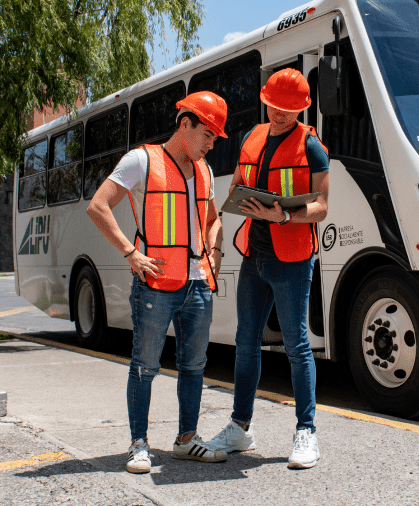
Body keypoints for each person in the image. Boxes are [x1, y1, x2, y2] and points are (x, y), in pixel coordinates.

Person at [87, 91, 228, 473]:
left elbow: (213, 220)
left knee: (195, 365)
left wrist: (214, 251)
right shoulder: (142, 160)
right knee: (145, 365)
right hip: (155, 285)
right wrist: (130, 253)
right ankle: (138, 444)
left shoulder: (204, 171)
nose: (211, 144)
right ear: (186, 124)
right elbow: (98, 206)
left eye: (216, 138)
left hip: (198, 283)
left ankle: (186, 440)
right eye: (208, 135)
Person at [207, 68, 329, 469]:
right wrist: (237, 197)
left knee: (296, 345)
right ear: (266, 101)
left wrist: (283, 218)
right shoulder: (252, 138)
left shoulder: (312, 147)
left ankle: (306, 432)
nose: (280, 113)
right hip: (254, 255)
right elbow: (239, 182)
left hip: (292, 257)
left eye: (289, 109)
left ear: (302, 108)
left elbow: (322, 207)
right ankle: (241, 427)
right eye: (275, 105)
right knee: (246, 341)